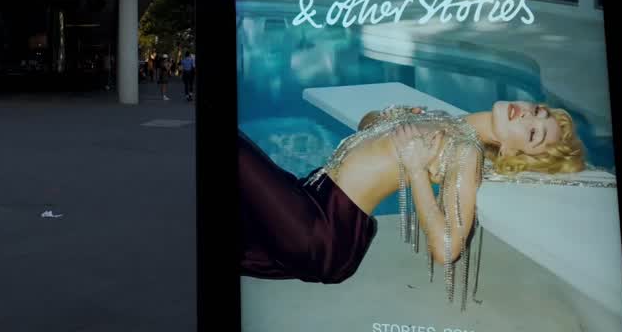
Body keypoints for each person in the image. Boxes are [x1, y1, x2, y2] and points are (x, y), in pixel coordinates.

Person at [239, 101, 586, 307]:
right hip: (309, 197)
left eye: (532, 133)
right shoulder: (448, 120)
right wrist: (387, 116)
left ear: (511, 152)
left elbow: (447, 247)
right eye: (537, 112)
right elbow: (366, 134)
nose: (527, 117)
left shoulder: (466, 152)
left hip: (322, 231)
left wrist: (417, 170)